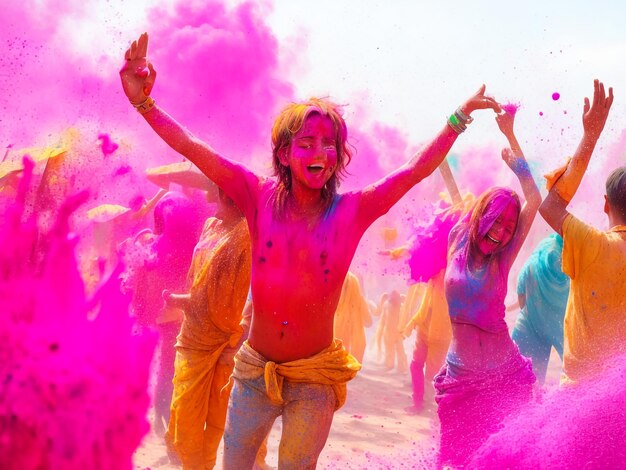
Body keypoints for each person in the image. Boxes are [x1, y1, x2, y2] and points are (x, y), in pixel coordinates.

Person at [120, 32, 501, 469]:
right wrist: (143, 103)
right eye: (306, 143)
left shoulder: (353, 212)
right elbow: (192, 148)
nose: (319, 152)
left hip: (314, 378)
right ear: (283, 154)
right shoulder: (255, 196)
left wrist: (459, 117)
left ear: (339, 158)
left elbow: (413, 169)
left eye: (329, 145)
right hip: (252, 370)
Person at [434, 106, 542, 468]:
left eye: (509, 227)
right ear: (482, 216)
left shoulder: (504, 257)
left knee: (507, 460)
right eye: (496, 222)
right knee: (458, 460)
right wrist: (454, 122)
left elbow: (534, 198)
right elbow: (443, 173)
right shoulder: (456, 236)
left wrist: (511, 137)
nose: (500, 232)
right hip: (461, 376)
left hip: (505, 375)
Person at [162, 189, 254, 469]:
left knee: (216, 419)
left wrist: (182, 300)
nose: (211, 196)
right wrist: (186, 300)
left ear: (230, 196)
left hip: (225, 339)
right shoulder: (210, 226)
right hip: (193, 338)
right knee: (184, 418)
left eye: (218, 192)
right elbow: (199, 281)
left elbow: (237, 292)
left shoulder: (247, 236)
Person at [539, 79, 622, 386]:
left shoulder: (592, 244)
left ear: (605, 205)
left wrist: (590, 136)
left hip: (579, 398)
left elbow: (550, 206)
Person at [511, 234, 569, 384]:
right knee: (574, 380)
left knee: (523, 385)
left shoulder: (544, 247)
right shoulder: (575, 252)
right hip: (561, 327)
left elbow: (521, 293)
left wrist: (533, 313)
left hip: (530, 323)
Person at [334, 271, 372, 363]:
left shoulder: (335, 304)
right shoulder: (360, 301)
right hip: (355, 348)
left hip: (339, 345)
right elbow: (369, 322)